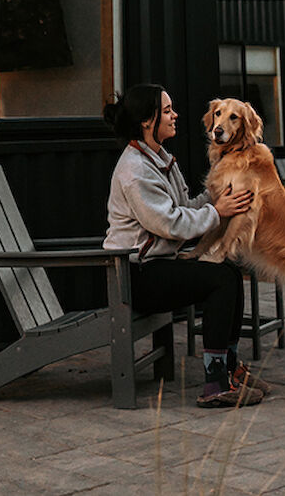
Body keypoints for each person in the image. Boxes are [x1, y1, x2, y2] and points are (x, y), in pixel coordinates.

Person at [103, 83, 271, 407]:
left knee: (231, 272)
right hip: (135, 275)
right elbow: (171, 224)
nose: (175, 115)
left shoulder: (159, 159)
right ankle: (215, 383)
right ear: (147, 121)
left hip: (159, 264)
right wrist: (217, 211)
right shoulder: (135, 171)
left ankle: (230, 369)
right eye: (167, 111)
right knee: (219, 280)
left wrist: (218, 194)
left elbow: (184, 207)